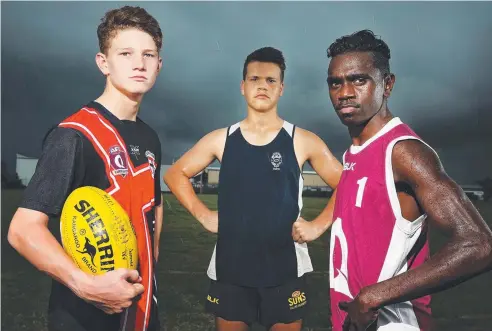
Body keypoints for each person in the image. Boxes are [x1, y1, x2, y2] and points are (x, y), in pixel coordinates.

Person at [8, 6, 164, 331]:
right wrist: (86, 285)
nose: (139, 63)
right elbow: (23, 230)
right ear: (103, 63)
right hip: (83, 317)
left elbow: (153, 212)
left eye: (149, 54)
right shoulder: (74, 135)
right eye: (126, 53)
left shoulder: (150, 137)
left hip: (142, 309)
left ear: (159, 65)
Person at [164, 47, 343, 331]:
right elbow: (175, 174)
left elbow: (347, 183)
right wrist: (204, 215)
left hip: (285, 269)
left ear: (281, 88)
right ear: (242, 86)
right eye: (254, 78)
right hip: (231, 268)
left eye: (271, 80)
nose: (262, 85)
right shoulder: (221, 139)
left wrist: (319, 226)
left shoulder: (302, 140)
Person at [325, 29, 492, 331]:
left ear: (387, 85)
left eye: (359, 79)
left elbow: (479, 244)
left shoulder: (403, 151)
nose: (345, 92)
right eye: (335, 82)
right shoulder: (354, 151)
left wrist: (373, 296)